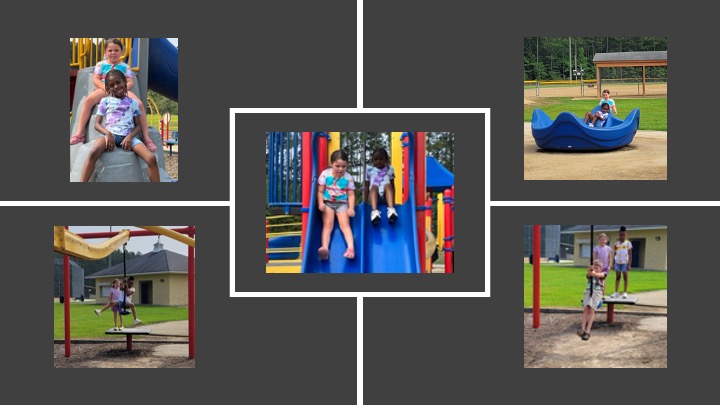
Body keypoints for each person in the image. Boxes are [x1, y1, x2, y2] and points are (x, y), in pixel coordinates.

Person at [70, 38, 156, 152]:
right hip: (105, 88)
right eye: (110, 50)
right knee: (88, 101)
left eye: (116, 50)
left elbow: (130, 81)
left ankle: (146, 138)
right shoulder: (101, 64)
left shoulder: (125, 67)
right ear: (105, 52)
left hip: (121, 90)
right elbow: (96, 79)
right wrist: (105, 89)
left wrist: (124, 89)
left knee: (139, 104)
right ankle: (80, 133)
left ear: (121, 52)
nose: (113, 53)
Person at [79, 69, 160, 182]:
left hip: (128, 137)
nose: (116, 86)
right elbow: (97, 124)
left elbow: (138, 125)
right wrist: (107, 134)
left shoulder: (133, 103)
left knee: (151, 158)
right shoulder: (105, 101)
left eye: (118, 82)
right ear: (107, 89)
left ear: (125, 83)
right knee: (93, 153)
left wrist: (130, 137)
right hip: (108, 135)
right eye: (111, 85)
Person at [317, 150, 356, 260]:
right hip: (328, 203)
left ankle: (350, 249)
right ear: (331, 164)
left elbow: (351, 194)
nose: (340, 169)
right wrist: (320, 203)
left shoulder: (348, 177)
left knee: (345, 225)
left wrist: (351, 208)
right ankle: (325, 248)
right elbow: (320, 191)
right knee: (328, 225)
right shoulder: (325, 174)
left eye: (344, 166)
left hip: (342, 204)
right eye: (337, 166)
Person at [363, 148, 398, 225]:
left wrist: (394, 202)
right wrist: (364, 202)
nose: (378, 161)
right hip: (375, 196)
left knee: (388, 185)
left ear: (386, 160)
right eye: (376, 159)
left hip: (386, 196)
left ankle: (391, 210)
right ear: (372, 161)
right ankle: (374, 212)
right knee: (374, 187)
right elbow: (366, 187)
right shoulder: (370, 170)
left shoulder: (390, 169)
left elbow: (393, 186)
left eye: (381, 159)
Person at [579, 260, 606, 340]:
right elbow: (589, 274)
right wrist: (589, 269)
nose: (596, 269)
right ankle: (582, 330)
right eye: (595, 268)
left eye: (598, 268)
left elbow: (599, 275)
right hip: (588, 291)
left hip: (597, 292)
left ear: (601, 269)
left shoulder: (603, 274)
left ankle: (588, 331)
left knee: (591, 310)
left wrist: (593, 272)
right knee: (585, 309)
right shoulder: (590, 275)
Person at [611, 226, 633, 298]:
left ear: (626, 234)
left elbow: (630, 254)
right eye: (621, 235)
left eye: (623, 235)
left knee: (625, 278)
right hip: (617, 262)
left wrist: (629, 264)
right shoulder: (616, 244)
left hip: (625, 263)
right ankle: (616, 292)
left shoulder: (628, 243)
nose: (622, 236)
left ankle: (625, 292)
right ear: (619, 235)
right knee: (617, 277)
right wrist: (613, 263)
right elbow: (615, 253)